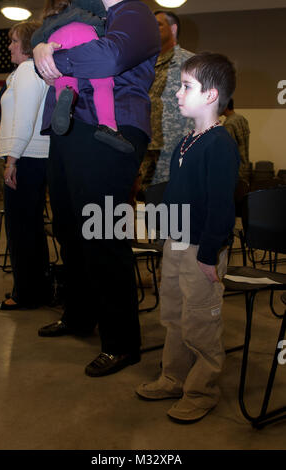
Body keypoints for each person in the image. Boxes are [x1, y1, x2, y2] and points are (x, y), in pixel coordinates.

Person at [33, 0, 160, 377]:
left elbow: (109, 58)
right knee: (69, 228)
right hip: (71, 126)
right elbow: (47, 60)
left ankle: (122, 343)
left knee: (102, 231)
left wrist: (54, 56)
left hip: (111, 127)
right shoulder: (83, 12)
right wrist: (42, 47)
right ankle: (79, 315)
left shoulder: (134, 12)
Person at [136, 52, 240, 423]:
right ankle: (173, 377)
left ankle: (202, 391)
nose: (177, 94)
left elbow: (221, 207)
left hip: (201, 251)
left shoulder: (220, 144)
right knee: (174, 317)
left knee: (200, 322)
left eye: (185, 87)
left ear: (211, 95)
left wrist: (210, 254)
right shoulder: (186, 142)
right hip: (176, 244)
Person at [0, 21, 52, 311]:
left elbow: (25, 119)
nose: (10, 46)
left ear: (28, 44)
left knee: (21, 229)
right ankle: (36, 289)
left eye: (14, 41)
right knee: (29, 227)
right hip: (30, 157)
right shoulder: (29, 72)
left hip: (26, 158)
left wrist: (11, 160)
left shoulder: (29, 71)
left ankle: (26, 293)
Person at [31, 0, 133, 153]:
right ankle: (108, 125)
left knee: (63, 80)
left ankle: (65, 102)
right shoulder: (82, 6)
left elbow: (34, 40)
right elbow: (103, 12)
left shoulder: (48, 21)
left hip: (55, 40)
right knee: (102, 81)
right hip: (83, 31)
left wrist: (38, 46)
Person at [137, 10, 194, 197]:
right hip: (144, 146)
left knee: (172, 201)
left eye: (158, 25)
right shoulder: (142, 64)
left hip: (173, 148)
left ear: (173, 29)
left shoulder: (190, 63)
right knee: (145, 203)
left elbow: (197, 109)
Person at [222, 98, 250, 184]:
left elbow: (229, 151)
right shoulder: (242, 118)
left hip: (235, 170)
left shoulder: (229, 124)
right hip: (245, 168)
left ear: (225, 106)